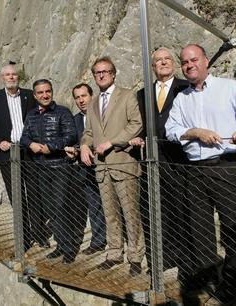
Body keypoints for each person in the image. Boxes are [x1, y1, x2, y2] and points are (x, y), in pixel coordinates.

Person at [165, 44, 236, 303]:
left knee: (233, 226)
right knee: (200, 229)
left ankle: (232, 280)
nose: (189, 65)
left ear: (206, 61)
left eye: (193, 60)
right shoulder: (181, 98)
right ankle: (209, 276)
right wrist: (195, 131)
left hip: (225, 165)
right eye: (185, 62)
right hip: (194, 170)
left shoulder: (230, 88)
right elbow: (170, 130)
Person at [80, 56, 145, 276]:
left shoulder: (127, 95)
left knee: (130, 213)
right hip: (102, 168)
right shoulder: (93, 103)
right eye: (97, 72)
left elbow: (136, 124)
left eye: (105, 71)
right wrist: (84, 146)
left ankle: (136, 257)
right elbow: (89, 132)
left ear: (113, 73)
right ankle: (114, 253)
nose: (101, 75)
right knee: (110, 214)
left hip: (123, 165)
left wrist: (112, 141)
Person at [129, 47, 189, 271]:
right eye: (158, 61)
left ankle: (184, 257)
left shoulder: (185, 87)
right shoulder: (143, 93)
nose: (163, 63)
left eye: (167, 59)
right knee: (158, 209)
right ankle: (164, 257)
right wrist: (139, 138)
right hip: (153, 159)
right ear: (152, 67)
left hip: (180, 157)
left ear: (173, 63)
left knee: (181, 207)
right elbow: (141, 124)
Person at [20, 79, 79, 264]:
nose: (45, 95)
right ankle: (60, 245)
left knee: (61, 207)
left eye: (47, 91)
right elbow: (24, 137)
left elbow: (71, 135)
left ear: (52, 92)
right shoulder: (31, 115)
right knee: (51, 210)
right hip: (41, 169)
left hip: (60, 166)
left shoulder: (63, 112)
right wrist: (32, 144)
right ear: (35, 95)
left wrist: (50, 147)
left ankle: (69, 249)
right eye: (40, 93)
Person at [0, 63, 35, 203]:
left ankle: (36, 225)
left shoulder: (29, 95)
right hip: (7, 153)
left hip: (30, 151)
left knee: (34, 193)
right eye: (7, 75)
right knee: (15, 195)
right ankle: (21, 226)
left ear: (18, 76)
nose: (11, 77)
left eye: (14, 74)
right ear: (2, 78)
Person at [65, 83, 107, 255]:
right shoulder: (73, 120)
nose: (81, 100)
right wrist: (73, 152)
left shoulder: (103, 114)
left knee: (116, 205)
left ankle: (122, 243)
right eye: (77, 97)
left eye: (84, 96)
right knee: (94, 205)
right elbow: (73, 142)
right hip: (86, 170)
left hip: (107, 165)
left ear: (92, 96)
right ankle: (98, 241)